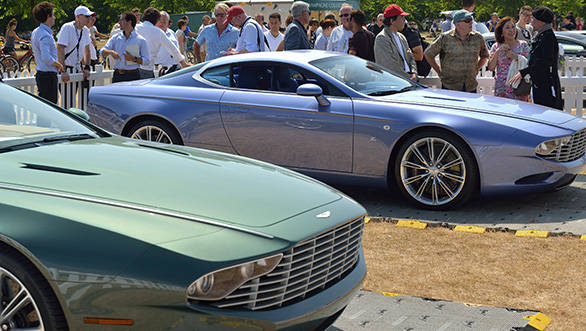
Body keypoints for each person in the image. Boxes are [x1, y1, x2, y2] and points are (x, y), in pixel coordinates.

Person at [510, 7, 563, 110]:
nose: (531, 21)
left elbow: (543, 63)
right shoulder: (542, 36)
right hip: (540, 84)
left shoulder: (547, 38)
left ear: (541, 21)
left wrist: (523, 72)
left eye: (533, 18)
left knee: (546, 115)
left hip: (546, 86)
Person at [425, 10, 489, 92]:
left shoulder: (478, 37)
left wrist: (476, 69)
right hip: (450, 87)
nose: (471, 23)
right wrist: (439, 72)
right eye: (467, 21)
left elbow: (485, 56)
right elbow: (428, 54)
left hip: (470, 86)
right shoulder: (445, 38)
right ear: (457, 24)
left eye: (471, 20)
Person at [135, 7, 188, 79]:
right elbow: (172, 48)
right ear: (156, 20)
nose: (162, 23)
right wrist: (183, 63)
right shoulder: (158, 32)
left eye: (165, 21)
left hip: (131, 69)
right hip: (148, 70)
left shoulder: (134, 28)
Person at [57, 5, 93, 108]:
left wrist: (86, 67)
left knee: (79, 101)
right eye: (86, 16)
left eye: (89, 16)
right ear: (77, 17)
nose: (89, 19)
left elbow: (87, 49)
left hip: (77, 69)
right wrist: (63, 70)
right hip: (67, 69)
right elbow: (60, 48)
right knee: (68, 102)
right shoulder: (67, 27)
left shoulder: (85, 30)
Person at [486, 17, 530, 101]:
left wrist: (516, 57)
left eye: (513, 27)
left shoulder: (523, 45)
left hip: (519, 87)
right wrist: (498, 51)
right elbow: (491, 68)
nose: (511, 30)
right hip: (502, 89)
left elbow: (530, 64)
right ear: (501, 32)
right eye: (507, 28)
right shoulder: (496, 47)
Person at [100, 11, 149, 83]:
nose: (119, 23)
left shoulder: (141, 40)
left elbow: (147, 61)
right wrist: (110, 52)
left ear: (129, 22)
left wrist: (134, 59)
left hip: (133, 76)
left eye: (121, 20)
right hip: (117, 76)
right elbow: (102, 51)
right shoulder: (115, 38)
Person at [374, 4, 416, 80]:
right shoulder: (382, 38)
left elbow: (411, 58)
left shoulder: (401, 37)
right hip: (395, 84)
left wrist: (414, 73)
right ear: (392, 21)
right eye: (401, 17)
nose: (404, 20)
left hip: (408, 81)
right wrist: (408, 78)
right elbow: (389, 66)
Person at [31, 1, 63, 103]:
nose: (54, 18)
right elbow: (46, 57)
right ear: (48, 16)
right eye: (53, 15)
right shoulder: (45, 35)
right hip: (48, 76)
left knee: (43, 107)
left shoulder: (36, 31)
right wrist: (58, 64)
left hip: (41, 74)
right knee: (50, 107)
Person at [155, 11, 181, 76]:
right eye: (160, 21)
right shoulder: (152, 33)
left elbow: (177, 49)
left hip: (174, 68)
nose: (162, 23)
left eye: (164, 21)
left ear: (168, 22)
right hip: (159, 70)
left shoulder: (172, 33)